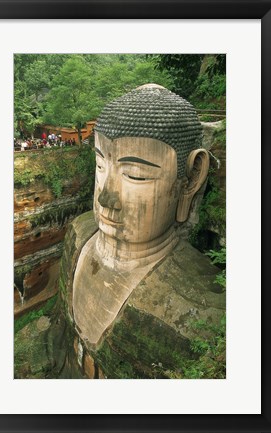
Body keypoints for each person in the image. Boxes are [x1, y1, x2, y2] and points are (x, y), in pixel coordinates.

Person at [59, 84, 225, 378]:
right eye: (100, 165)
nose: (105, 198)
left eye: (136, 175)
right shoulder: (78, 235)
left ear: (191, 179)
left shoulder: (199, 311)